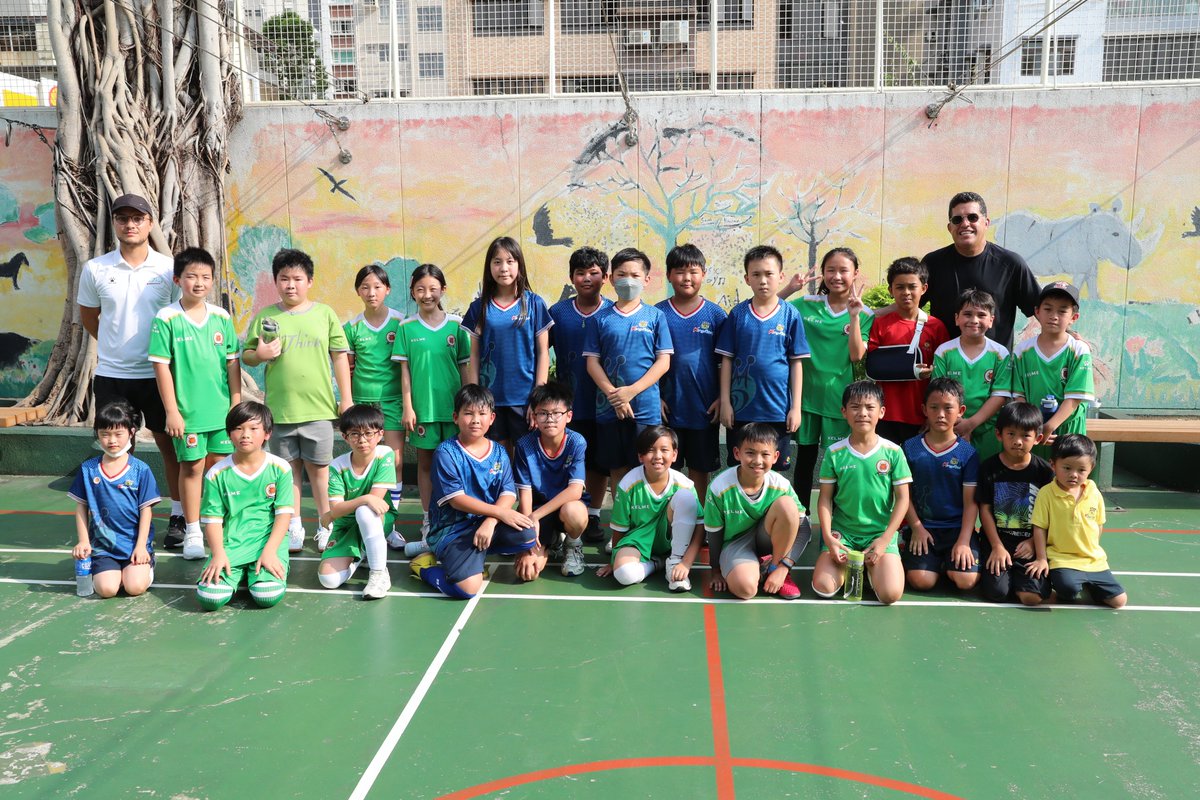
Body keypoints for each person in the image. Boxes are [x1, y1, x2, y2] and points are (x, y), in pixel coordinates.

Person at [77, 194, 184, 546]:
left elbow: (176, 321)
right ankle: (122, 519)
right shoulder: (96, 269)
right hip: (112, 375)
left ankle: (179, 517)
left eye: (137, 218)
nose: (130, 224)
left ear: (150, 223)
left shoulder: (168, 269)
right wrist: (116, 344)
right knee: (119, 448)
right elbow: (90, 318)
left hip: (157, 375)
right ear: (116, 224)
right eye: (122, 218)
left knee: (170, 447)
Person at [243, 249, 353, 554]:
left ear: (310, 281)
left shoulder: (325, 314)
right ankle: (293, 526)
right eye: (284, 279)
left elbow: (340, 357)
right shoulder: (266, 316)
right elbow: (248, 356)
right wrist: (260, 354)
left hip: (319, 409)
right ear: (275, 281)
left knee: (320, 471)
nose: (291, 285)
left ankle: (324, 524)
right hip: (280, 411)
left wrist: (347, 399)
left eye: (297, 279)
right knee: (288, 471)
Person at [148, 247, 241, 561]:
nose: (198, 283)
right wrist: (172, 411)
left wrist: (236, 403)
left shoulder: (221, 317)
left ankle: (218, 525)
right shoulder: (167, 318)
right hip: (187, 415)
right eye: (191, 276)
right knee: (191, 468)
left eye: (205, 277)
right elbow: (161, 367)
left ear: (213, 281)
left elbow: (232, 364)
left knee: (218, 469)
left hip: (221, 412)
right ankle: (192, 531)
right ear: (178, 279)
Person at [410, 385, 536, 599]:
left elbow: (508, 493)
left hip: (486, 523)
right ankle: (423, 567)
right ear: (455, 417)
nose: (475, 419)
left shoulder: (499, 451)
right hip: (453, 530)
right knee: (466, 589)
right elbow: (457, 500)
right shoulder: (446, 452)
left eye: (482, 413)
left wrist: (490, 521)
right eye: (468, 413)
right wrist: (500, 514)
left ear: (492, 418)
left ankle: (476, 558)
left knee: (528, 534)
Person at [780, 247, 873, 502]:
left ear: (855, 273)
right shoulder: (806, 305)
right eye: (830, 270)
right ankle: (802, 516)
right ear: (822, 274)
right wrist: (789, 289)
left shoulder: (865, 314)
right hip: (806, 400)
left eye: (844, 270)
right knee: (805, 461)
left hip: (839, 400)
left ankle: (836, 519)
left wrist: (854, 317)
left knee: (838, 461)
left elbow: (856, 355)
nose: (837, 276)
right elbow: (767, 310)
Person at [394, 264, 472, 551]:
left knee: (457, 465)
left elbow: (465, 368)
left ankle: (458, 517)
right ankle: (428, 520)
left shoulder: (456, 325)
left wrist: (468, 405)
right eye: (420, 289)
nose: (427, 295)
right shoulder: (406, 327)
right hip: (423, 410)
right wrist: (408, 407)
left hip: (453, 411)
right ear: (413, 292)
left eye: (433, 288)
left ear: (443, 290)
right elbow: (405, 373)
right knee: (426, 466)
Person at [812, 381, 911, 605]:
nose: (862, 413)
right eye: (855, 407)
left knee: (890, 595)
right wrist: (829, 538)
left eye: (869, 407)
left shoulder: (894, 452)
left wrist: (885, 539)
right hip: (843, 534)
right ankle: (854, 565)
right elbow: (825, 498)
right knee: (824, 588)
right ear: (844, 412)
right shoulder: (834, 452)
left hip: (879, 535)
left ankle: (870, 570)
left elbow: (903, 500)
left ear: (882, 412)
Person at [583, 247, 673, 488]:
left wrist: (631, 392)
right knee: (617, 468)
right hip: (608, 408)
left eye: (635, 275)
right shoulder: (600, 318)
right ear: (611, 279)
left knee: (648, 466)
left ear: (646, 280)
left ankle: (646, 522)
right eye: (622, 275)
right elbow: (592, 363)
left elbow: (663, 362)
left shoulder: (655, 316)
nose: (628, 281)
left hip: (645, 409)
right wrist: (615, 396)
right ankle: (621, 522)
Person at [716, 245, 809, 469]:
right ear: (747, 279)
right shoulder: (738, 314)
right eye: (756, 274)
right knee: (742, 467)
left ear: (780, 276)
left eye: (769, 274)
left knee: (774, 471)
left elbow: (796, 363)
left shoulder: (790, 315)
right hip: (742, 409)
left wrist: (795, 408)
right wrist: (726, 402)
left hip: (777, 410)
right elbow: (726, 361)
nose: (763, 280)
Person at [196, 402, 294, 611]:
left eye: (253, 428)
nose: (245, 434)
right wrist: (218, 553)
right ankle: (239, 572)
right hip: (232, 542)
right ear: (229, 433)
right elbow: (213, 521)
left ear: (267, 433)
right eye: (238, 428)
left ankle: (255, 572)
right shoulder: (216, 473)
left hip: (268, 541)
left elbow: (283, 515)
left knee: (267, 596)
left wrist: (269, 551)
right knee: (209, 598)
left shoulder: (280, 468)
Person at [463, 237, 552, 452]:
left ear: (519, 265)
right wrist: (476, 398)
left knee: (525, 457)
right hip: (490, 399)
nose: (504, 268)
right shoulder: (479, 307)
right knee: (498, 458)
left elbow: (543, 353)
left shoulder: (533, 303)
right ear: (489, 267)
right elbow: (473, 356)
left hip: (524, 399)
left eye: (510, 261)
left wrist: (537, 398)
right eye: (497, 262)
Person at [548, 247, 612, 542]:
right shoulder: (557, 313)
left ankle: (594, 516)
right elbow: (536, 352)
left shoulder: (614, 312)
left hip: (602, 404)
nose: (587, 278)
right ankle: (565, 517)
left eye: (594, 273)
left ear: (605, 277)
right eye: (581, 273)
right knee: (569, 462)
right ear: (571, 277)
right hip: (567, 406)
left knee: (599, 463)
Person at [704, 422, 809, 600]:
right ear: (737, 453)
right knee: (746, 590)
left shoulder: (780, 484)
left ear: (775, 457)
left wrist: (783, 567)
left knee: (787, 506)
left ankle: (773, 567)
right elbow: (714, 534)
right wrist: (715, 570)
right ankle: (758, 567)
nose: (758, 461)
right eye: (750, 453)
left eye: (765, 454)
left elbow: (804, 528)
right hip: (736, 543)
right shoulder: (719, 487)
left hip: (767, 538)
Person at [656, 243, 727, 503]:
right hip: (668, 409)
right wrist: (656, 397)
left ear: (703, 274)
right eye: (680, 271)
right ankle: (668, 520)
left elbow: (725, 363)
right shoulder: (657, 314)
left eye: (693, 271)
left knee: (700, 468)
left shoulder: (716, 315)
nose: (687, 278)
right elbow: (648, 361)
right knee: (667, 468)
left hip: (704, 409)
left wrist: (722, 397)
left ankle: (699, 521)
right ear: (668, 275)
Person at [922, 191, 1041, 347]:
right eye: (957, 219)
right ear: (950, 227)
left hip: (995, 366)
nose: (965, 224)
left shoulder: (1010, 264)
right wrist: (878, 315)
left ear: (986, 222)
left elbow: (1042, 310)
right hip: (946, 364)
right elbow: (907, 306)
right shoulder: (933, 263)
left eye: (972, 217)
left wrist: (1071, 336)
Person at [69, 401, 160, 598]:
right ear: (97, 434)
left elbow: (146, 510)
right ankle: (113, 572)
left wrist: (141, 546)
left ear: (131, 432)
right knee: (107, 590)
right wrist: (84, 541)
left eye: (118, 434)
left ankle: (147, 565)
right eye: (105, 434)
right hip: (104, 547)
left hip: (134, 545)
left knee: (134, 588)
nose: (112, 440)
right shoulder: (88, 469)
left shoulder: (141, 470)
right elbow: (81, 507)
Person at [597, 426, 703, 592]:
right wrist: (614, 561)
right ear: (640, 456)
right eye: (650, 451)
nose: (658, 456)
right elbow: (619, 528)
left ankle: (674, 563)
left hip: (673, 542)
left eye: (664, 450)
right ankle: (658, 563)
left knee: (685, 498)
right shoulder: (628, 484)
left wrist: (685, 562)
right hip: (638, 541)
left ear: (674, 455)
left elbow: (699, 527)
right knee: (624, 574)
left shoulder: (684, 484)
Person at [343, 265, 406, 545]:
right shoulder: (352, 327)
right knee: (363, 462)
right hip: (362, 403)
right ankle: (359, 520)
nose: (372, 292)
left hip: (392, 401)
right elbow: (347, 367)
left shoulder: (401, 323)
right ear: (358, 291)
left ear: (387, 289)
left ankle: (389, 523)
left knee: (395, 461)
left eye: (378, 286)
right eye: (365, 287)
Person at [1027, 434, 1127, 608]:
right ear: (1053, 465)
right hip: (1061, 559)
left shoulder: (1093, 492)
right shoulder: (1046, 494)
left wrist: (1090, 548)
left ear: (1091, 468)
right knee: (1069, 591)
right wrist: (1042, 558)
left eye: (1081, 470)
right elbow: (1039, 528)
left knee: (1119, 601)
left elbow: (1098, 524)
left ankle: (1090, 586)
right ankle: (1078, 583)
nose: (1073, 475)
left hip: (1093, 560)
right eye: (1066, 468)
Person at [900, 378, 980, 593]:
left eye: (948, 408)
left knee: (966, 581)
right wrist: (916, 528)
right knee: (921, 581)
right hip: (923, 528)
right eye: (934, 408)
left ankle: (952, 559)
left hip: (957, 529)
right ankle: (931, 561)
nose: (941, 414)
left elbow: (971, 502)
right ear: (924, 409)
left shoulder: (968, 453)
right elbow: (902, 495)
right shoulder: (909, 448)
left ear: (960, 411)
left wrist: (964, 540)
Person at [975, 402, 1054, 605]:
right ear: (999, 434)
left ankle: (1024, 581)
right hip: (998, 542)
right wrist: (997, 546)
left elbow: (1050, 514)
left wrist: (1033, 544)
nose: (1017, 441)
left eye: (1025, 436)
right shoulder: (988, 468)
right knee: (997, 593)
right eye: (1011, 434)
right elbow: (984, 510)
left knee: (1031, 598)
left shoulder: (1044, 472)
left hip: (1029, 545)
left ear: (1037, 438)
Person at [1004, 281, 1094, 458]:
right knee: (1034, 482)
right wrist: (1033, 428)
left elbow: (1075, 398)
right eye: (1048, 309)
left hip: (1068, 433)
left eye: (1062, 311)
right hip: (1032, 433)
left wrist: (1049, 426)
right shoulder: (1022, 351)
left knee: (1066, 480)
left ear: (1073, 317)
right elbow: (1019, 397)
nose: (1054, 316)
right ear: (1037, 312)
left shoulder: (1078, 350)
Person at [866, 257, 949, 444]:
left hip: (921, 414)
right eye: (900, 287)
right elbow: (873, 365)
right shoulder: (879, 324)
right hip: (884, 414)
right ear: (891, 290)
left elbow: (942, 376)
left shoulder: (935, 327)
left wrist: (933, 414)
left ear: (924, 289)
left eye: (912, 286)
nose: (906, 292)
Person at [317, 405, 395, 600]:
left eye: (369, 433)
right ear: (344, 437)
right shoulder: (337, 465)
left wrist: (334, 513)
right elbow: (335, 509)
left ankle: (379, 573)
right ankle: (362, 554)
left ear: (380, 434)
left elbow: (374, 503)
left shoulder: (385, 454)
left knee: (365, 512)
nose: (362, 440)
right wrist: (364, 498)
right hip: (346, 526)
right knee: (328, 580)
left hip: (377, 519)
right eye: (354, 434)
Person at [512, 382, 590, 580]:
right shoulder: (524, 445)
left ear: (568, 416)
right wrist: (529, 539)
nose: (550, 419)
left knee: (575, 512)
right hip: (538, 510)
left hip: (563, 508)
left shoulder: (576, 442)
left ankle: (573, 545)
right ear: (534, 416)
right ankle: (553, 541)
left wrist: (535, 517)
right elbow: (525, 495)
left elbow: (575, 491)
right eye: (543, 413)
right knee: (528, 572)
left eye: (556, 413)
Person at [931, 289, 1011, 463]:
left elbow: (1000, 395)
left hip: (989, 430)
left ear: (991, 321)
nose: (974, 320)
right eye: (967, 314)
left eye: (981, 315)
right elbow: (939, 394)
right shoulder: (944, 352)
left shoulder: (1000, 353)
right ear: (957, 318)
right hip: (952, 429)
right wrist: (959, 425)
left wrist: (971, 424)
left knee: (986, 481)